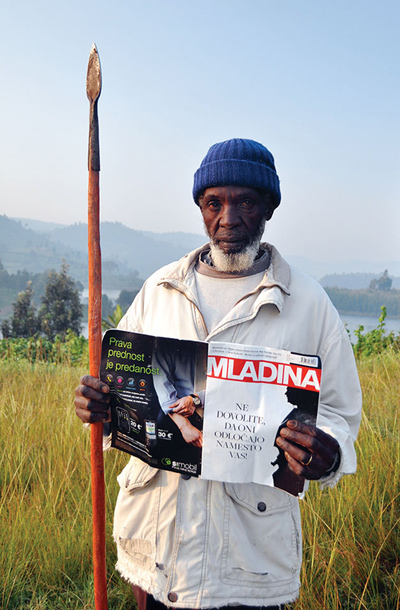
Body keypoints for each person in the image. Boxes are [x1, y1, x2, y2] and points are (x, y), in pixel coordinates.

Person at [75, 138, 362, 610]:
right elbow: (122, 386)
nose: (228, 218)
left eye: (245, 202)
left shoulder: (309, 304)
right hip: (156, 549)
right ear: (201, 209)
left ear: (268, 208)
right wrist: (100, 406)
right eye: (215, 203)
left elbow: (339, 413)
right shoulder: (161, 289)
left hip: (249, 562)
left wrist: (325, 453)